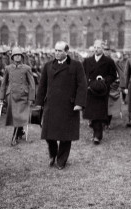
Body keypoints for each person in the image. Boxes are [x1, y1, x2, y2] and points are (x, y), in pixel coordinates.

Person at [35, 41, 87, 170]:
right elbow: (42, 86)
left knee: (65, 136)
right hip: (51, 105)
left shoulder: (76, 66)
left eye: (60, 51)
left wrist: (79, 103)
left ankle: (61, 160)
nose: (57, 53)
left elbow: (82, 85)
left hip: (68, 106)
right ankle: (53, 153)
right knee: (48, 134)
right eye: (56, 50)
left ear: (66, 52)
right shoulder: (48, 66)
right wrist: (38, 104)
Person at [0, 47, 35, 146]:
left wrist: (31, 98)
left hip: (23, 95)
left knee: (19, 116)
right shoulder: (8, 68)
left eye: (19, 55)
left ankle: (15, 136)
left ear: (22, 57)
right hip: (11, 95)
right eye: (16, 55)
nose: (17, 57)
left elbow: (32, 84)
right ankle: (18, 133)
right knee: (16, 116)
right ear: (12, 57)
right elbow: (3, 83)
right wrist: (1, 98)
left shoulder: (27, 68)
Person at [83, 39, 117, 144]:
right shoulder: (87, 61)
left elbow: (113, 75)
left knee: (98, 113)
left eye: (99, 48)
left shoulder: (109, 61)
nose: (96, 49)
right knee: (92, 113)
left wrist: (104, 81)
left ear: (103, 49)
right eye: (95, 47)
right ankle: (95, 132)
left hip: (102, 91)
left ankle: (97, 135)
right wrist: (87, 84)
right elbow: (83, 75)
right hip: (90, 90)